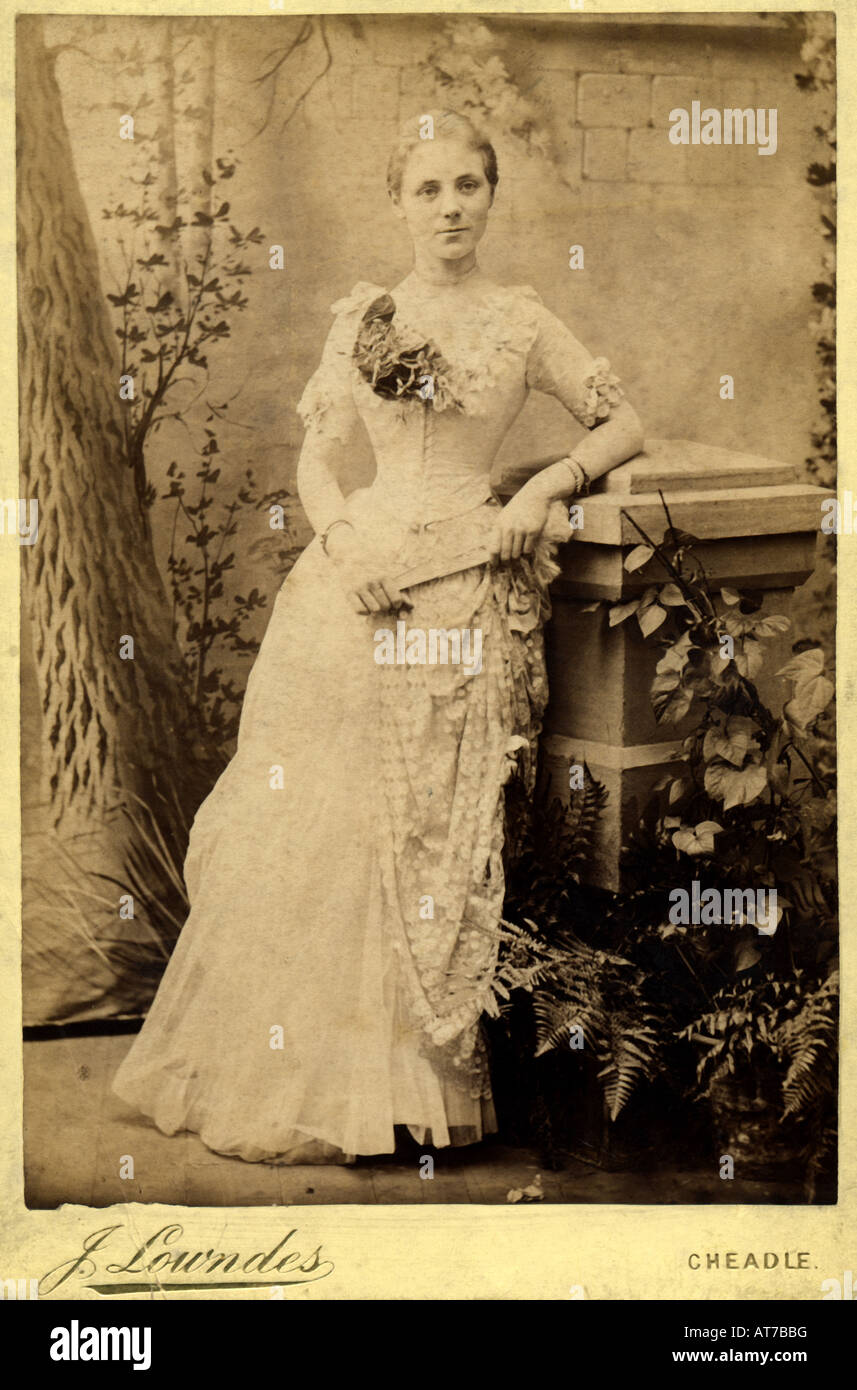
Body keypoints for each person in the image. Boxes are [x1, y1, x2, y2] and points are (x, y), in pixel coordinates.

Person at [112, 110, 644, 1164]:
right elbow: (319, 460)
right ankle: (305, 1078)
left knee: (430, 831)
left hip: (461, 593)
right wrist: (344, 538)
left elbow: (624, 423)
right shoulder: (367, 317)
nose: (449, 207)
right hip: (353, 590)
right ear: (397, 203)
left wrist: (543, 485)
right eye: (427, 189)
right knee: (324, 819)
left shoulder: (520, 321)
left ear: (491, 196)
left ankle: (410, 1090)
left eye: (467, 186)